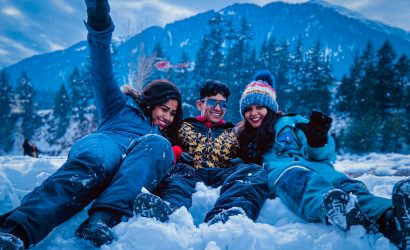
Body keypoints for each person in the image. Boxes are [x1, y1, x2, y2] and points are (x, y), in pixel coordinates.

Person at [0, 0, 183, 248]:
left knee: (158, 145)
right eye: (165, 109)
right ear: (151, 103)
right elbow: (101, 69)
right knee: (93, 165)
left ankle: (100, 222)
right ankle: (16, 231)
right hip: (105, 145)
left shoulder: (156, 140)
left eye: (173, 114)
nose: (168, 118)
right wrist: (100, 26)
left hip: (133, 163)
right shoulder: (119, 106)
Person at [236, 70, 410, 250]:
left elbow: (325, 155)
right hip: (286, 174)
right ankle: (339, 211)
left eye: (259, 107)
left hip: (320, 168)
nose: (253, 113)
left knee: (351, 187)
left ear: (270, 107)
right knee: (311, 187)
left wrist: (318, 141)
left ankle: (393, 217)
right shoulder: (243, 138)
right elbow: (234, 164)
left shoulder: (291, 122)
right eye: (248, 109)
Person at [134, 80, 269, 225]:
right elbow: (164, 143)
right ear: (199, 104)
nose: (218, 108)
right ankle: (169, 209)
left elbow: (250, 154)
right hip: (189, 171)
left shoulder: (235, 132)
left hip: (222, 173)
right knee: (177, 176)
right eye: (212, 103)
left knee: (253, 171)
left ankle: (230, 212)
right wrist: (175, 152)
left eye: (222, 104)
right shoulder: (182, 126)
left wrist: (241, 161)